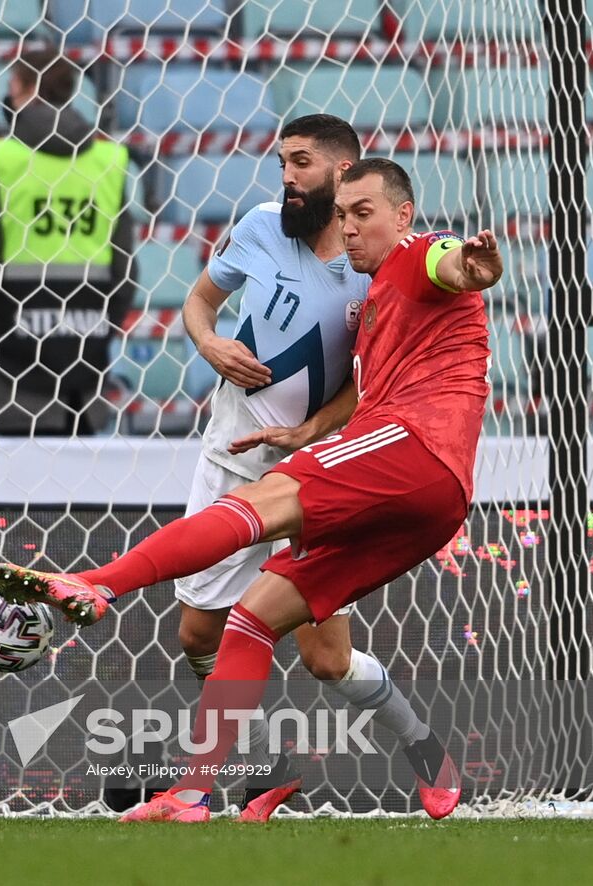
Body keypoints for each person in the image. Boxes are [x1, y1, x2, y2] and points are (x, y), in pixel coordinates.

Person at [0, 158, 503, 822]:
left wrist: (472, 263)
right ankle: (200, 794)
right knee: (260, 623)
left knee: (259, 507)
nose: (349, 229)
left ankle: (99, 583)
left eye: (364, 214)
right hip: (420, 498)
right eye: (343, 216)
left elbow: (452, 262)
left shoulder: (416, 257)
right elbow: (359, 382)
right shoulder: (370, 299)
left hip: (414, 453)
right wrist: (312, 425)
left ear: (403, 216)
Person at [159, 115, 445, 821]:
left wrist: (313, 430)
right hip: (231, 454)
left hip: (313, 473)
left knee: (326, 660)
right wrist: (209, 345)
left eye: (301, 164)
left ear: (343, 174)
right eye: (282, 163)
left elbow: (369, 378)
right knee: (197, 633)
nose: (286, 178)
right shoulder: (259, 225)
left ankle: (425, 748)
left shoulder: (377, 264)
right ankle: (267, 769)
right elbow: (200, 302)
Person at [0, 48, 136, 436]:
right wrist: (96, 331)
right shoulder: (108, 160)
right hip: (86, 373)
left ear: (23, 89)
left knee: (18, 492)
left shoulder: (1, 157)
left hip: (11, 376)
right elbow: (126, 273)